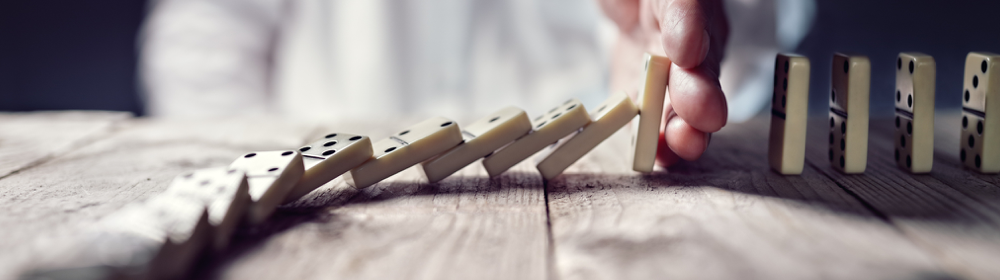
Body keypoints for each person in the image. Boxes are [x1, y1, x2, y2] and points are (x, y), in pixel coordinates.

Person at [141, 0, 813, 168]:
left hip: (595, 165)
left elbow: (763, 17)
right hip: (315, 172)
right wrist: (265, 173)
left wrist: (693, 35)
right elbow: (205, 36)